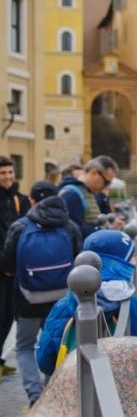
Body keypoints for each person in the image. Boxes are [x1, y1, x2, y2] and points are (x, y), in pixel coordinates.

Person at [36, 229, 137, 379]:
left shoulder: (63, 307)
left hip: (76, 395)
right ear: (120, 264)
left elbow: (44, 362)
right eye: (131, 258)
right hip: (124, 396)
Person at [2, 181, 81, 406]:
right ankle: (51, 395)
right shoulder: (69, 226)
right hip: (61, 299)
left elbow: (7, 265)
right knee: (56, 345)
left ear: (33, 201)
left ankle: (34, 395)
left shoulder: (20, 226)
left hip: (27, 298)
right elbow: (80, 260)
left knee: (25, 346)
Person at [0, 156, 29, 378]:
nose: (8, 177)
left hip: (13, 268)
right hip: (2, 268)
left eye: (10, 172)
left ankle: (0, 359)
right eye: (3, 173)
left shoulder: (19, 198)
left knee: (8, 315)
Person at [58, 156, 122, 240]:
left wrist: (108, 225)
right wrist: (106, 229)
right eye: (106, 182)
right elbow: (74, 232)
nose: (106, 186)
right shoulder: (71, 194)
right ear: (94, 172)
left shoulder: (86, 192)